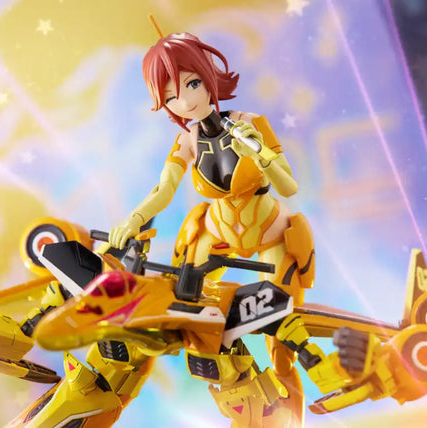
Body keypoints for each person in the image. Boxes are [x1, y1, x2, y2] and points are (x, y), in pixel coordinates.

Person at [108, 31, 318, 427]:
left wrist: (259, 152)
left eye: (191, 84)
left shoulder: (250, 124)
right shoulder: (186, 140)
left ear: (208, 78)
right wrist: (134, 219)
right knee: (187, 310)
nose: (186, 102)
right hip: (218, 233)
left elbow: (290, 186)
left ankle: (292, 418)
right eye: (172, 96)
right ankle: (243, 404)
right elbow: (164, 189)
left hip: (271, 232)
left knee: (281, 341)